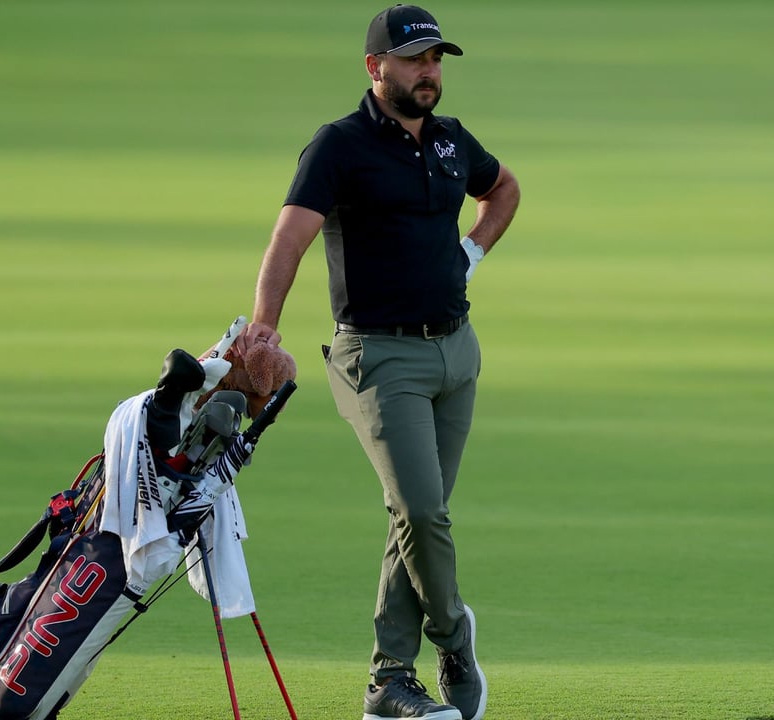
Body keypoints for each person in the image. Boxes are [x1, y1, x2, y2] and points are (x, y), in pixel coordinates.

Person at [234, 5, 519, 720]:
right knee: (422, 513)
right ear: (376, 68)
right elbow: (288, 241)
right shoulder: (340, 146)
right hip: (378, 355)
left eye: (437, 59)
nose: (430, 71)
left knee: (413, 518)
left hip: (457, 352)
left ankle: (390, 683)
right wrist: (264, 330)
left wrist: (471, 251)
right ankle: (452, 636)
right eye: (416, 59)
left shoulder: (452, 143)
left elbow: (503, 188)